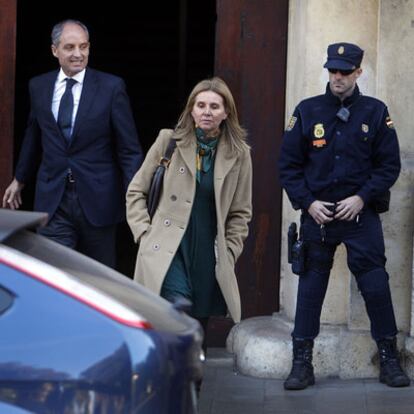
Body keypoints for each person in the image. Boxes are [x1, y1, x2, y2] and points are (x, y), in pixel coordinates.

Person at [279, 42, 410, 390]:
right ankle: (301, 364)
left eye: (344, 71)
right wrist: (308, 203)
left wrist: (362, 197)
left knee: (376, 286)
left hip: (358, 216)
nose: (337, 77)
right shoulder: (307, 112)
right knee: (310, 289)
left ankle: (389, 360)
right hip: (318, 216)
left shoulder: (375, 112)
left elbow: (388, 166)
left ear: (358, 72)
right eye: (332, 70)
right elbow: (288, 167)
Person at [2, 19, 143, 268]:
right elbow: (33, 136)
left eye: (84, 46)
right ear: (55, 50)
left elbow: (128, 149)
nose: (78, 54)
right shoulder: (39, 86)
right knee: (52, 273)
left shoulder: (111, 88)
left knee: (99, 278)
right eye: (69, 47)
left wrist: (135, 196)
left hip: (98, 199)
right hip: (53, 199)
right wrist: (19, 179)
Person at [126, 77, 252, 338]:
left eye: (215, 107)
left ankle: (193, 378)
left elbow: (241, 211)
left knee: (197, 329)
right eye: (201, 105)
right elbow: (136, 190)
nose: (207, 112)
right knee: (176, 314)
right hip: (168, 247)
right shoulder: (168, 141)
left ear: (226, 112)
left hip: (208, 252)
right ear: (191, 110)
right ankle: (169, 375)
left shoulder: (239, 153)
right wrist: (144, 233)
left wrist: (229, 251)